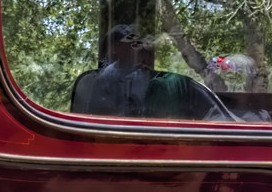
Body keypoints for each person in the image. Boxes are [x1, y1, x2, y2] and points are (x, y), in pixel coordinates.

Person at [70, 24, 228, 121]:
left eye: (137, 43)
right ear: (114, 48)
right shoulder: (99, 82)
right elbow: (97, 120)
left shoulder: (173, 83)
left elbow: (217, 118)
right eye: (130, 43)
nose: (137, 47)